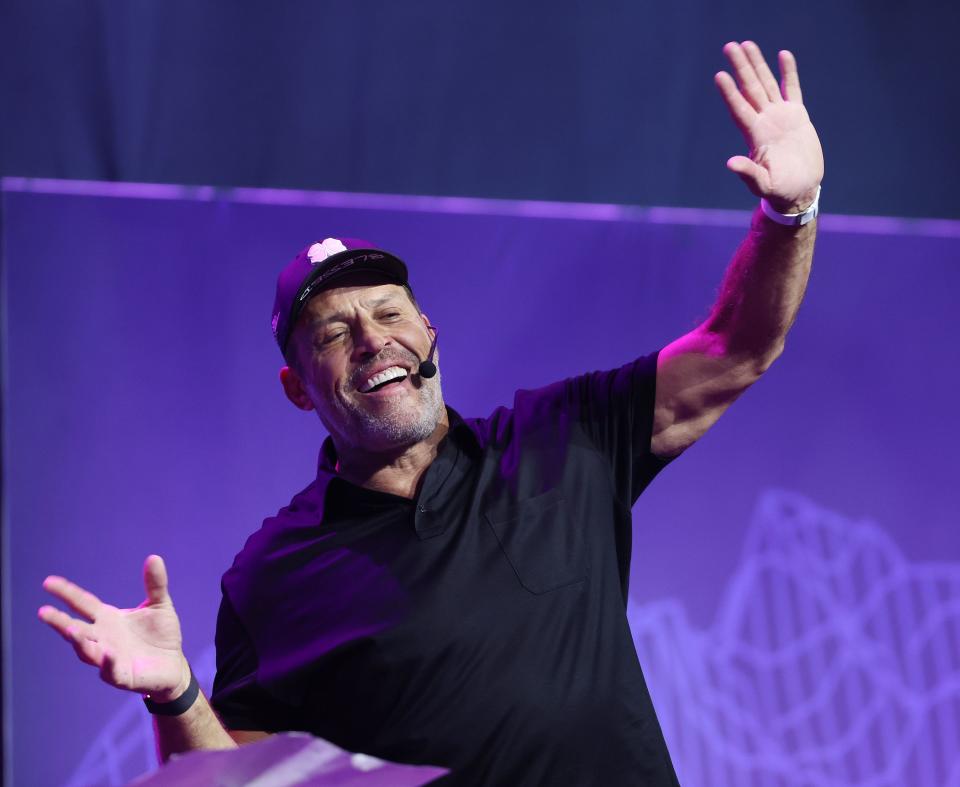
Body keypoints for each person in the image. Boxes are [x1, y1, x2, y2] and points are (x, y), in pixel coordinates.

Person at [38, 41, 823, 784]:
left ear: (430, 333)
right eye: (335, 333)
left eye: (389, 313)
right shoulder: (272, 576)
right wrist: (175, 692)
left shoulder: (565, 437)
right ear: (299, 388)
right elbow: (240, 779)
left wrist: (790, 214)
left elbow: (738, 346)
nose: (374, 341)